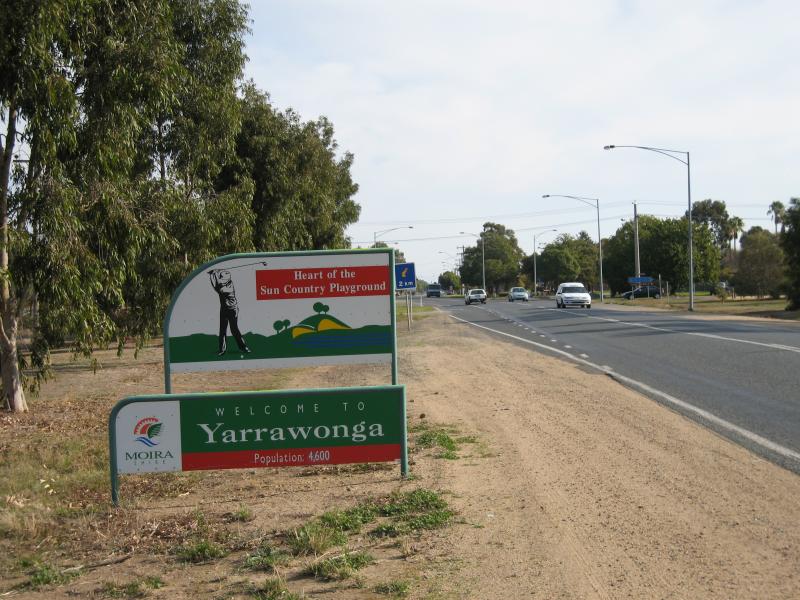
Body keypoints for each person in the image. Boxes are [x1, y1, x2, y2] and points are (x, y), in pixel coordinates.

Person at [208, 269, 250, 356]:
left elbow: (215, 285)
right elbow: (217, 282)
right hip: (224, 309)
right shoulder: (227, 282)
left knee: (234, 329)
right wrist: (215, 273)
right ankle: (222, 350)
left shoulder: (226, 288)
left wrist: (212, 274)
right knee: (222, 330)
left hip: (232, 310)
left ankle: (244, 347)